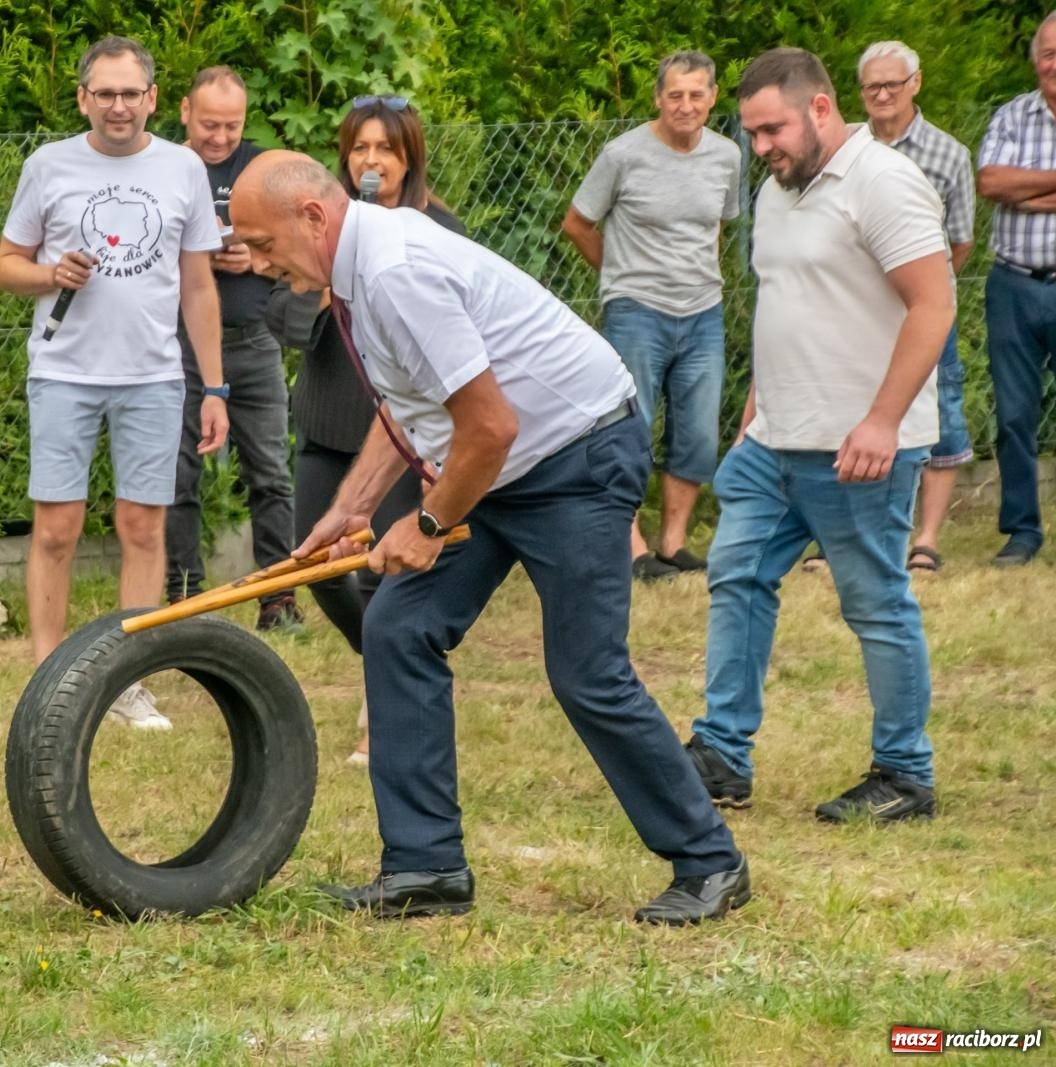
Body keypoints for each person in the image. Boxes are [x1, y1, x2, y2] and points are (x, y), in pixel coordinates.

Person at [231, 151, 749, 924]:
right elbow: (411, 400)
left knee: (587, 672)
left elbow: (490, 425)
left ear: (311, 216)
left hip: (576, 455)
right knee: (399, 627)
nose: (259, 265)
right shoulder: (357, 268)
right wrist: (353, 507)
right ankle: (425, 866)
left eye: (262, 245)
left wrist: (428, 523)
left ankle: (711, 860)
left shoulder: (395, 270)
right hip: (499, 463)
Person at [684, 49, 955, 823]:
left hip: (860, 448)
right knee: (736, 576)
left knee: (875, 604)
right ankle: (721, 754)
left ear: (822, 109)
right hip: (773, 441)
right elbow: (786, 303)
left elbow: (933, 305)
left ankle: (905, 774)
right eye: (752, 133)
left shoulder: (883, 182)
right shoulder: (777, 192)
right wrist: (755, 410)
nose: (761, 146)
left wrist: (882, 420)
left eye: (773, 129)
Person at [0, 37, 229, 730]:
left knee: (143, 529)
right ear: (82, 99)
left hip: (153, 377)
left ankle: (130, 683)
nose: (118, 105)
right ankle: (47, 682)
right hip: (63, 372)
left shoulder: (184, 167)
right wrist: (49, 274)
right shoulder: (48, 165)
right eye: (105, 93)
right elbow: (5, 265)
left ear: (153, 98)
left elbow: (198, 286)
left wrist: (215, 389)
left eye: (130, 93)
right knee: (56, 529)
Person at [264, 95, 465, 766]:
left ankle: (383, 706)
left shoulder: (438, 228)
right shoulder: (318, 226)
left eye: (385, 148)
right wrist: (324, 288)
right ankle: (386, 662)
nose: (371, 161)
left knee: (384, 574)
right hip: (329, 418)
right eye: (359, 148)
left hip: (399, 434)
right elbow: (282, 322)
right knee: (315, 563)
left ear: (409, 158)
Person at [562, 51, 742, 580]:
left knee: (698, 433)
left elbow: (717, 224)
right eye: (675, 95)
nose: (685, 105)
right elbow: (576, 223)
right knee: (628, 430)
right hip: (636, 312)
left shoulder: (728, 156)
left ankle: (672, 543)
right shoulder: (623, 154)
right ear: (658, 98)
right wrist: (620, 273)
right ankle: (630, 546)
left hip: (703, 312)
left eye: (696, 95)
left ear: (712, 98)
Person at [163, 67, 301, 631]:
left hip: (254, 343)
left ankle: (279, 598)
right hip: (180, 348)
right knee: (178, 477)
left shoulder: (263, 171)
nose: (220, 137)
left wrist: (256, 261)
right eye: (209, 125)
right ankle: (183, 598)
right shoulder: (162, 167)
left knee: (271, 474)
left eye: (232, 126)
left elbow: (302, 252)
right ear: (184, 112)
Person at [857, 41, 976, 573]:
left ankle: (925, 539)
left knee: (942, 408)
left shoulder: (949, 154)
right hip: (859, 310)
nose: (882, 95)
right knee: (858, 408)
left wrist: (921, 290)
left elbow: (961, 242)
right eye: (872, 86)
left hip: (926, 310)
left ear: (916, 83)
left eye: (892, 84)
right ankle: (853, 534)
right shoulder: (848, 149)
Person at [977, 11, 1056, 567]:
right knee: (1013, 416)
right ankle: (1022, 531)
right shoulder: (1011, 116)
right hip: (1013, 285)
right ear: (1035, 61)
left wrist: (1026, 193)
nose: (1055, 64)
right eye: (1048, 53)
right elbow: (990, 182)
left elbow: (1011, 186)